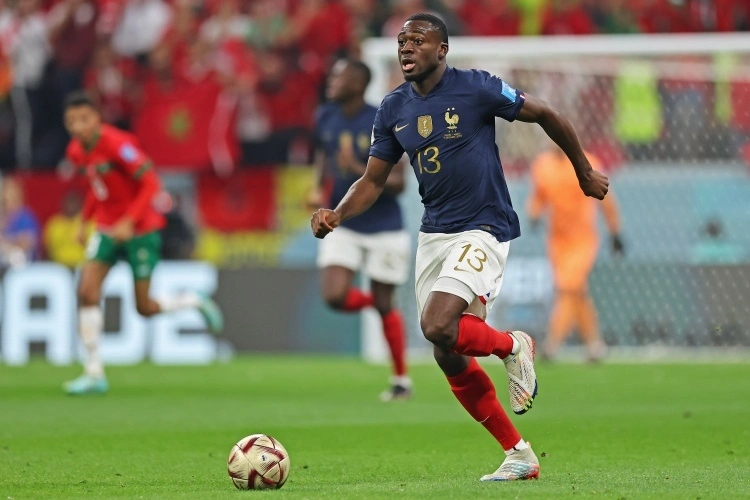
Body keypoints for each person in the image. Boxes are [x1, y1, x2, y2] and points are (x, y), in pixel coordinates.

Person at [311, 13, 609, 481]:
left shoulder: (476, 87)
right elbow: (372, 180)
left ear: (442, 50)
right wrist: (338, 213)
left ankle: (513, 346)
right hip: (435, 234)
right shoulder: (392, 108)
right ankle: (519, 454)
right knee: (447, 350)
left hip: (484, 225)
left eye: (418, 40)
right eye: (402, 42)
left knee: (436, 323)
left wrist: (583, 171)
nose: (406, 48)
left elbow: (545, 113)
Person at [62, 91, 223, 395]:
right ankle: (93, 373)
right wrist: (84, 221)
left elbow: (151, 183)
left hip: (141, 229)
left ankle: (193, 300)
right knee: (86, 291)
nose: (78, 127)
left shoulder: (117, 144)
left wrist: (129, 221)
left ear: (97, 118)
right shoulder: (75, 152)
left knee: (144, 307)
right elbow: (97, 188)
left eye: (84, 119)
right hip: (107, 229)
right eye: (71, 121)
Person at [308, 59, 412, 401]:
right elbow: (323, 154)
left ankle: (401, 379)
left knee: (384, 302)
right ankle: (381, 305)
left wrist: (358, 168)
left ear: (358, 83)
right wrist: (317, 187)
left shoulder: (381, 119)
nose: (331, 81)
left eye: (339, 76)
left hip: (384, 226)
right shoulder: (325, 116)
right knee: (334, 296)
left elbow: (399, 183)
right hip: (344, 222)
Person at [527, 146, 623, 362]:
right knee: (576, 291)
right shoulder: (543, 165)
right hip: (557, 241)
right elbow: (539, 196)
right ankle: (595, 345)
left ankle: (552, 343)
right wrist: (534, 213)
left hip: (582, 239)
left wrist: (615, 231)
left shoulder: (587, 162)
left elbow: (606, 198)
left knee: (568, 286)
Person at [43, 190, 92, 269]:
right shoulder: (54, 224)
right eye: (69, 202)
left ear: (81, 204)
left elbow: (93, 248)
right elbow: (47, 250)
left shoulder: (88, 223)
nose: (71, 206)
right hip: (59, 267)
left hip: (83, 266)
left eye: (74, 202)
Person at [0, 176, 40, 266]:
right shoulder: (3, 217)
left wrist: (6, 242)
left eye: (8, 191)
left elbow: (28, 242)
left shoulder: (26, 217)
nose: (4, 195)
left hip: (23, 265)